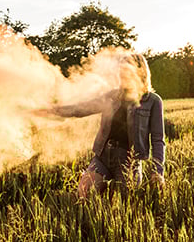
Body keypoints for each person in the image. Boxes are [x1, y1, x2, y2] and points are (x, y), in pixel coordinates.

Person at [40, 52, 165, 198]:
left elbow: (158, 140)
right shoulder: (111, 96)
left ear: (140, 72)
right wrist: (51, 110)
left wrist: (158, 172)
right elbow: (80, 108)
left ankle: (110, 190)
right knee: (84, 193)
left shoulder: (153, 101)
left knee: (123, 204)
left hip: (129, 161)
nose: (122, 75)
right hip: (103, 156)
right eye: (121, 71)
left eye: (126, 71)